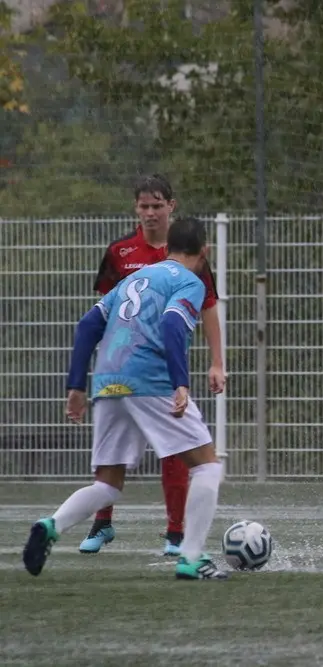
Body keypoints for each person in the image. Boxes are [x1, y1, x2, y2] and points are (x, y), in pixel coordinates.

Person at [23, 216, 229, 580]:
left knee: (107, 483)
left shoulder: (134, 279)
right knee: (207, 466)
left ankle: (51, 525)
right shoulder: (190, 281)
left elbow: (87, 325)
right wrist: (180, 383)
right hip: (149, 380)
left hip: (108, 381)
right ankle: (192, 557)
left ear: (167, 248)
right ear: (205, 252)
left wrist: (76, 387)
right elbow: (172, 323)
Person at [80, 174, 226, 557]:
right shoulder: (120, 252)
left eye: (157, 205)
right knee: (111, 455)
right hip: (123, 369)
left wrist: (217, 362)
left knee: (176, 452)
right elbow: (103, 312)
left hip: (162, 369)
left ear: (170, 207)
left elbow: (209, 307)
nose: (150, 213)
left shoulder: (189, 253)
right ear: (135, 208)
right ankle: (102, 522)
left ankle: (175, 534)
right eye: (143, 206)